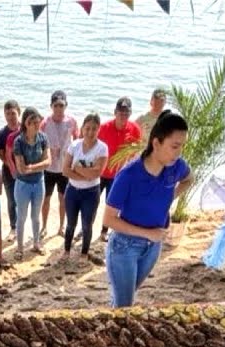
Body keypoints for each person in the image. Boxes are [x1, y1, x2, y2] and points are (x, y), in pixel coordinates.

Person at [102, 111, 192, 308]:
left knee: (124, 298)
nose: (178, 153)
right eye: (174, 146)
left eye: (182, 146)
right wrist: (147, 233)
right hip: (124, 246)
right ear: (156, 143)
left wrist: (169, 197)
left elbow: (189, 179)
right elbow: (108, 219)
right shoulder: (129, 175)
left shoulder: (176, 166)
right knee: (125, 305)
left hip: (153, 246)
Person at [62, 113, 108, 259]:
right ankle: (66, 251)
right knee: (70, 224)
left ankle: (84, 254)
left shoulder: (102, 148)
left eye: (94, 129)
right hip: (72, 191)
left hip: (91, 192)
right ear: (82, 128)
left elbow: (97, 173)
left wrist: (77, 168)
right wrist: (86, 174)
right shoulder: (74, 145)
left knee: (87, 225)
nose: (90, 132)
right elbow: (65, 170)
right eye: (87, 128)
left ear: (98, 130)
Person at [96, 97, 142, 243]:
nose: (123, 116)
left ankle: (104, 232)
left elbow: (136, 153)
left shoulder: (134, 129)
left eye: (126, 113)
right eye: (121, 113)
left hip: (118, 176)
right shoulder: (104, 127)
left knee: (112, 206)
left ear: (130, 114)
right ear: (115, 112)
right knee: (92, 202)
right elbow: (93, 146)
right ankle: (85, 228)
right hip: (100, 173)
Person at [11, 107, 50, 255]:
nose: (36, 124)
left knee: (36, 216)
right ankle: (20, 248)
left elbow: (48, 162)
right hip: (23, 185)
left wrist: (31, 167)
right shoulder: (19, 141)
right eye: (32, 122)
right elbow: (21, 169)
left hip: (39, 183)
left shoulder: (43, 138)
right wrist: (38, 166)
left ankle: (36, 244)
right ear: (26, 123)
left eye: (38, 121)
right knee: (21, 217)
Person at [40, 90, 78, 239]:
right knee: (46, 199)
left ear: (66, 105)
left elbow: (77, 140)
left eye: (61, 105)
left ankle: (61, 227)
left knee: (63, 199)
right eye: (55, 105)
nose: (58, 109)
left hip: (64, 168)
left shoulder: (71, 121)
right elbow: (39, 141)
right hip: (49, 168)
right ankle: (44, 227)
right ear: (51, 106)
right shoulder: (45, 122)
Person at [0, 100, 22, 238]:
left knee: (24, 200)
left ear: (19, 113)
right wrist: (11, 165)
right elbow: (0, 152)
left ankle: (23, 226)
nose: (10, 117)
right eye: (7, 114)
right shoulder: (2, 133)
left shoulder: (25, 129)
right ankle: (13, 228)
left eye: (13, 113)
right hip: (8, 172)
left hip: (25, 171)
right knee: (12, 201)